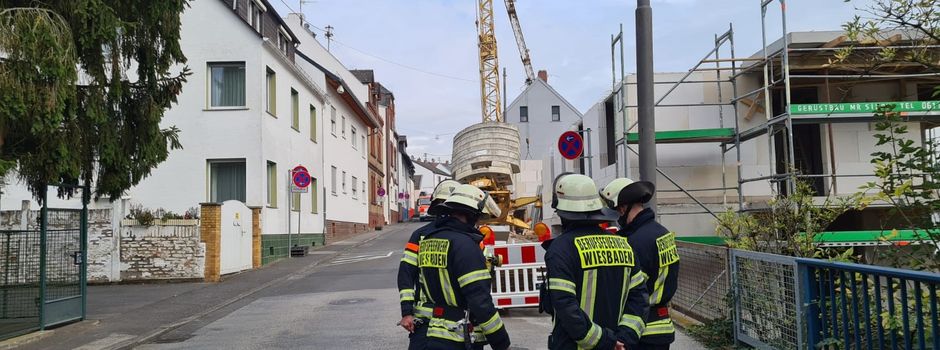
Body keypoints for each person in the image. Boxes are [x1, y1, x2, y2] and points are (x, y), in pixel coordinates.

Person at [543, 173, 649, 350]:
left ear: (563, 212)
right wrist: (623, 339)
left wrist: (604, 341)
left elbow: (566, 306)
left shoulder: (561, 249)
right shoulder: (623, 245)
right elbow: (639, 299)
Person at [418, 184, 511, 350]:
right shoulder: (465, 245)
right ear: (471, 215)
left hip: (435, 332)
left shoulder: (429, 240)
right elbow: (479, 301)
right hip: (460, 336)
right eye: (478, 218)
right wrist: (501, 340)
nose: (478, 223)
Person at [600, 178, 680, 350]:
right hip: (662, 327)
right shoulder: (663, 233)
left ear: (622, 208)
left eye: (615, 211)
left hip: (640, 332)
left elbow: (630, 291)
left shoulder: (636, 242)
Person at [398, 179, 460, 350]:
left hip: (427, 323)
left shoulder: (420, 235)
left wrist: (407, 313)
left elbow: (406, 274)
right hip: (458, 323)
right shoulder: (470, 238)